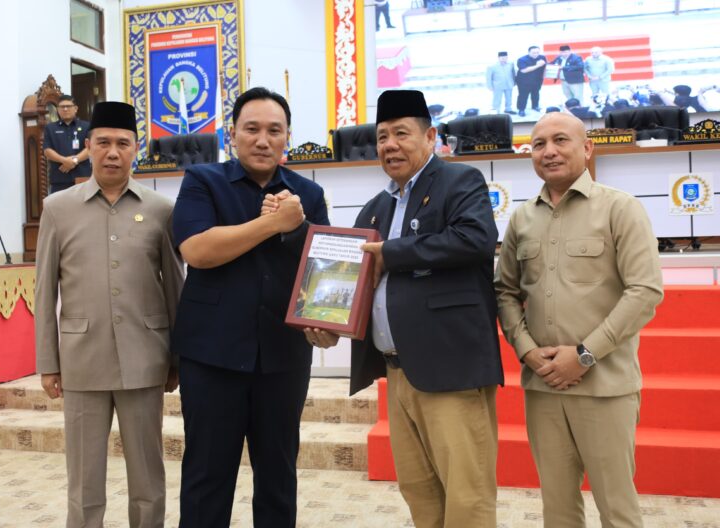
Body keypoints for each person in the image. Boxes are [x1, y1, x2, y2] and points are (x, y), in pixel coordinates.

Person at [494, 112, 664, 528]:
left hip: (605, 387)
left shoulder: (620, 208)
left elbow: (645, 291)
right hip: (543, 386)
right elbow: (505, 291)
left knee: (617, 508)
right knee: (557, 507)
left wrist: (585, 355)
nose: (549, 151)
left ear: (587, 148)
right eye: (538, 144)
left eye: (560, 140)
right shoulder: (522, 218)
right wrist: (527, 351)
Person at [172, 86, 330, 528]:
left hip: (283, 356)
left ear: (287, 137)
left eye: (274, 131)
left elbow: (322, 268)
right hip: (211, 355)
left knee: (278, 476)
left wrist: (328, 324)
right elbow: (198, 251)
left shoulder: (307, 194)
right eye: (252, 129)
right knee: (206, 477)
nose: (263, 140)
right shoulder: (202, 181)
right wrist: (273, 223)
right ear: (233, 134)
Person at [349, 89, 503, 527]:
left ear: (430, 136)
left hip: (450, 367)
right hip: (398, 372)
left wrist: (391, 253)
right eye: (382, 137)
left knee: (466, 495)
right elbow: (354, 279)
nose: (390, 145)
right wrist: (325, 320)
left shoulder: (460, 181)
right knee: (419, 491)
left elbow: (474, 239)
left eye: (401, 133)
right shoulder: (375, 209)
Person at [35, 101, 184, 528]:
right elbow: (44, 290)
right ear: (89, 146)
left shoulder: (160, 209)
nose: (113, 152)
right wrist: (48, 362)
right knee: (83, 481)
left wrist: (176, 358)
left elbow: (175, 288)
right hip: (82, 361)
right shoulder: (58, 208)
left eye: (122, 143)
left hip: (145, 358)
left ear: (137, 148)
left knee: (148, 476)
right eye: (103, 143)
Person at [43, 95, 91, 194]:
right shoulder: (50, 128)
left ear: (75, 108)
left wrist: (74, 160)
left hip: (82, 177)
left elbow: (91, 148)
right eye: (62, 107)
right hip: (59, 178)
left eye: (68, 106)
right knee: (59, 204)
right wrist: (64, 161)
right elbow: (47, 150)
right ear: (58, 110)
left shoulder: (86, 126)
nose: (65, 109)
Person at [516, 45, 547, 117]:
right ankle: (521, 109)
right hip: (524, 81)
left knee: (536, 94)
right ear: (529, 52)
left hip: (537, 80)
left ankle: (535, 106)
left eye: (537, 52)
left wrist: (543, 76)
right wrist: (538, 65)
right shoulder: (522, 59)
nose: (536, 54)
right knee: (523, 95)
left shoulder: (542, 57)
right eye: (533, 53)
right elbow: (524, 70)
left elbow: (545, 67)